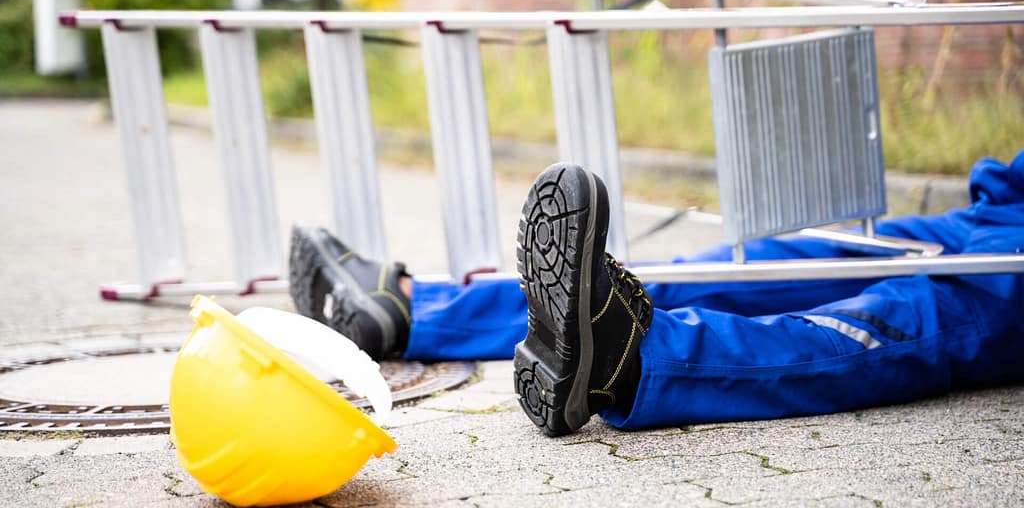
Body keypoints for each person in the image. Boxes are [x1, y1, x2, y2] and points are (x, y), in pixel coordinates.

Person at [288, 150, 1024, 437]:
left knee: (897, 322)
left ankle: (632, 361)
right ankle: (416, 312)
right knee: (743, 266)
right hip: (996, 213)